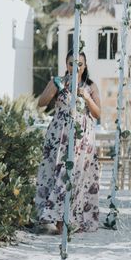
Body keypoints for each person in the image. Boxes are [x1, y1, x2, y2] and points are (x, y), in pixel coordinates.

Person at [35, 51, 101, 234]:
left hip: (82, 138)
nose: (76, 67)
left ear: (85, 66)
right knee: (58, 173)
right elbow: (41, 102)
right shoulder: (57, 81)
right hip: (59, 134)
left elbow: (98, 114)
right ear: (66, 64)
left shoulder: (90, 85)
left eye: (80, 63)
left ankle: (70, 217)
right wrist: (55, 87)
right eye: (72, 63)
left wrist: (87, 97)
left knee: (77, 176)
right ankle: (58, 219)